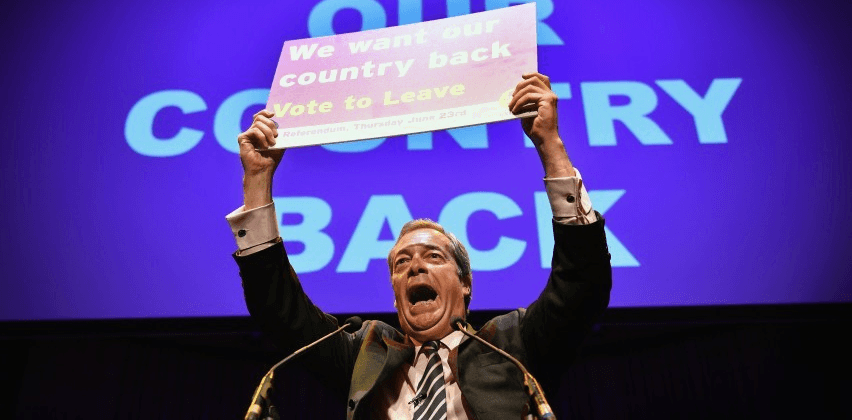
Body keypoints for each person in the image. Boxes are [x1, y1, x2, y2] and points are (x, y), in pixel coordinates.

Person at [227, 73, 612, 419]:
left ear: (465, 284)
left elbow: (581, 283)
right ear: (396, 296)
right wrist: (257, 179)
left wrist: (551, 146)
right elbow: (278, 308)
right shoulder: (365, 353)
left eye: (433, 256)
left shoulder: (513, 344)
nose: (415, 267)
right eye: (401, 263)